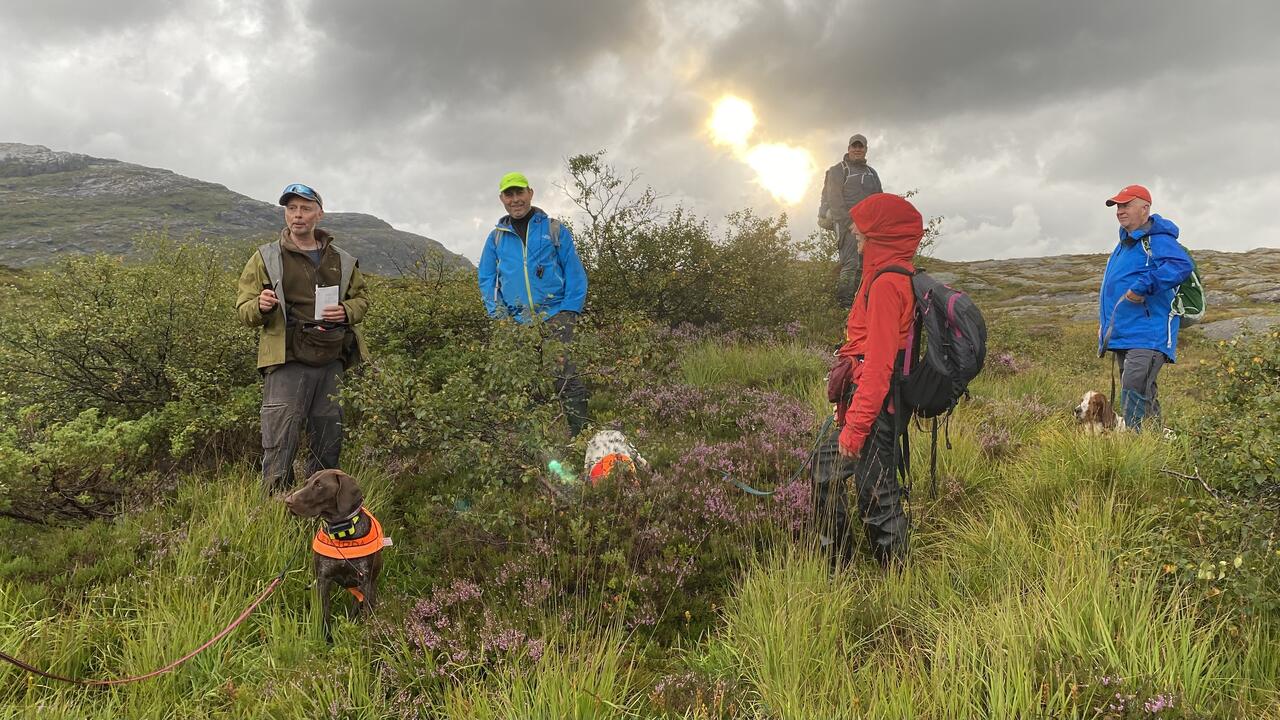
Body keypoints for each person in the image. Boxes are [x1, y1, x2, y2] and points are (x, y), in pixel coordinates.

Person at [235, 183, 370, 493]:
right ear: (285, 213)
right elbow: (243, 308)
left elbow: (362, 300)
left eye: (305, 208)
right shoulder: (265, 257)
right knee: (279, 440)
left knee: (328, 440)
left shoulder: (342, 260)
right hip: (286, 359)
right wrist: (260, 305)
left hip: (330, 358)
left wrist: (346, 311)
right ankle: (275, 511)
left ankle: (322, 509)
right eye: (291, 208)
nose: (297, 215)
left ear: (319, 215)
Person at [811, 193, 918, 569]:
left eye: (863, 226)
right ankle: (837, 567)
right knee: (824, 472)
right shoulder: (878, 275)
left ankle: (896, 585)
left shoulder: (888, 284)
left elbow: (878, 367)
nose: (854, 231)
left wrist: (855, 429)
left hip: (875, 407)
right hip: (867, 403)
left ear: (881, 234)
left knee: (877, 496)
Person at [477, 171, 591, 437]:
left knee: (567, 379)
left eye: (520, 193)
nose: (515, 199)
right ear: (502, 199)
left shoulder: (553, 229)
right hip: (516, 322)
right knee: (524, 383)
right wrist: (500, 316)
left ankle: (579, 438)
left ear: (530, 193)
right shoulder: (496, 238)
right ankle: (534, 445)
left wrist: (569, 312)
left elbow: (575, 272)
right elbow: (487, 280)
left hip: (555, 316)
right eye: (509, 194)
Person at [1097, 184, 1192, 431]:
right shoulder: (1124, 245)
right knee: (1140, 392)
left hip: (1148, 333)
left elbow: (1181, 266)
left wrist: (1143, 287)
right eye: (1118, 206)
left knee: (1134, 387)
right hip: (1125, 333)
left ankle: (1135, 444)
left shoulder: (1157, 240)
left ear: (1145, 208)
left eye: (1126, 205)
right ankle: (1155, 445)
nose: (1120, 210)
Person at [818, 133, 883, 307]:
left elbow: (879, 199)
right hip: (846, 223)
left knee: (865, 265)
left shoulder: (872, 173)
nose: (857, 149)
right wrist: (849, 223)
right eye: (854, 146)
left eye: (860, 146)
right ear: (848, 149)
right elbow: (835, 200)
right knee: (851, 263)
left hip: (867, 226)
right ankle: (843, 305)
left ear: (865, 149)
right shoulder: (838, 170)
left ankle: (857, 303)